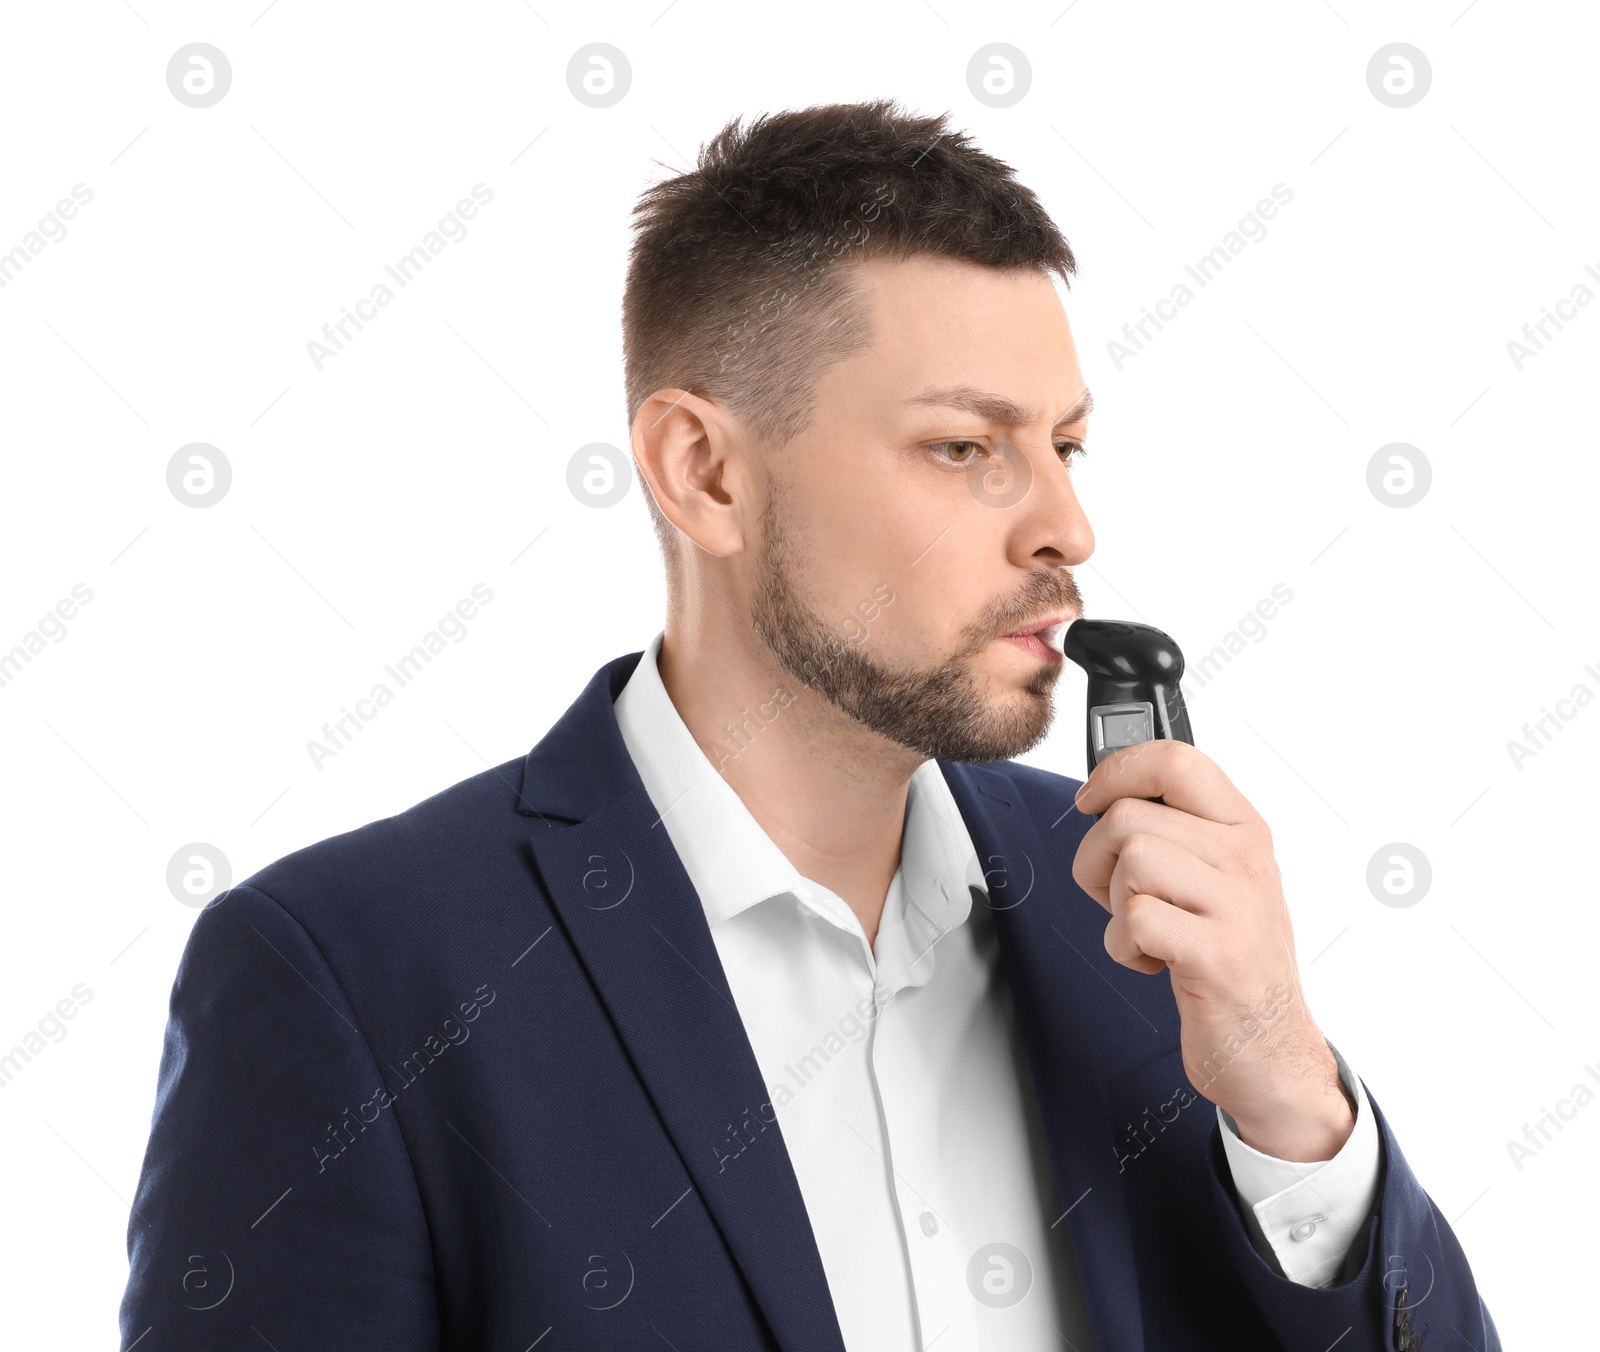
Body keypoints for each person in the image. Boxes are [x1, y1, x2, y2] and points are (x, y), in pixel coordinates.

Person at [120, 99, 1499, 1351]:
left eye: (1064, 445)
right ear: (704, 471)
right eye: (966, 446)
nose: (1067, 525)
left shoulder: (1140, 921)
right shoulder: (351, 978)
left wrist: (1288, 1101)